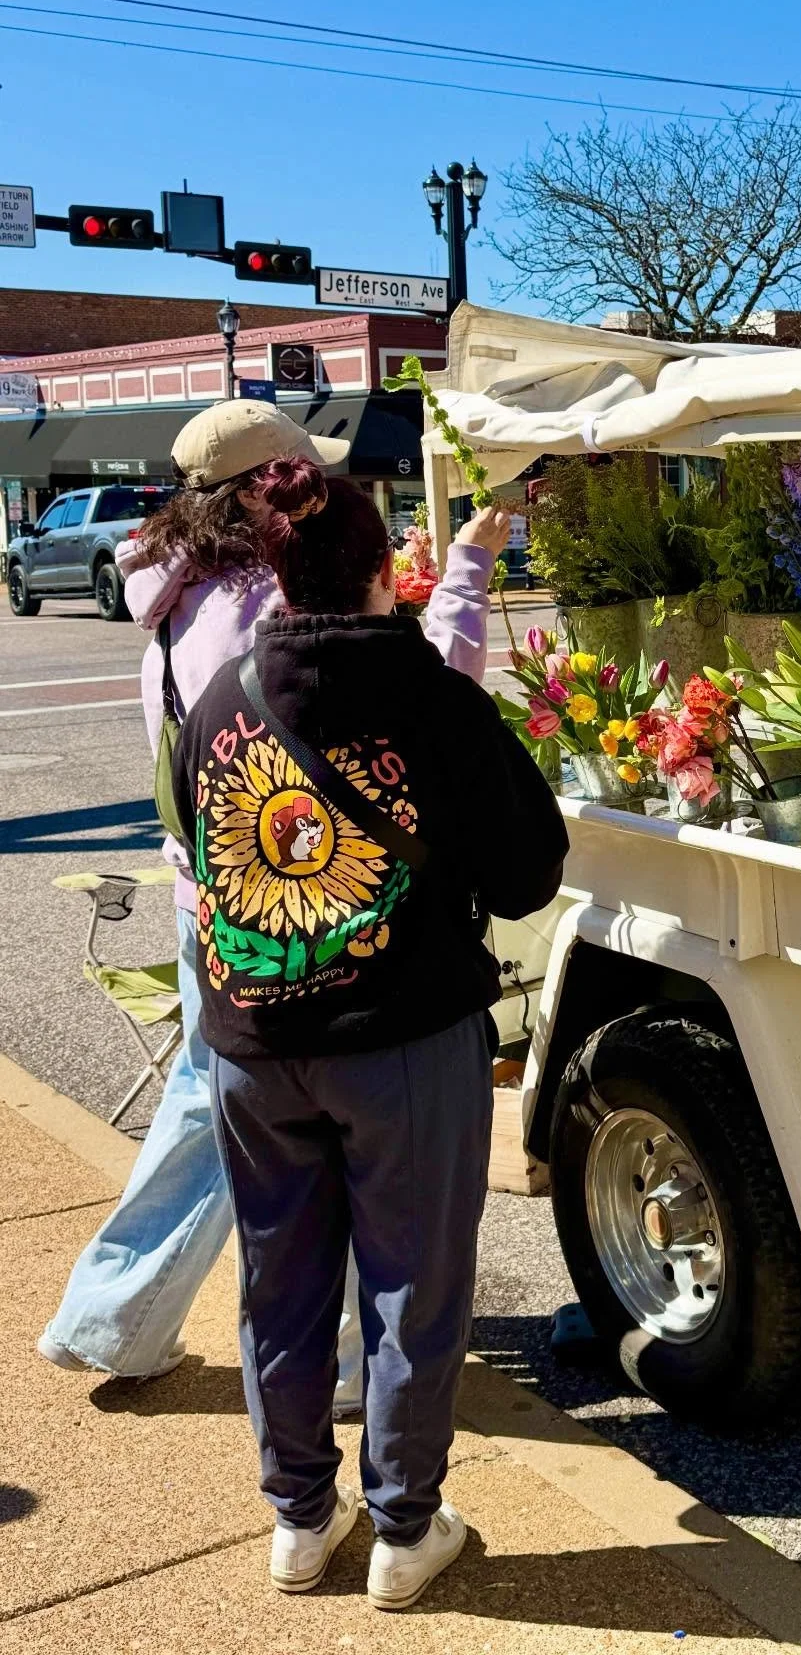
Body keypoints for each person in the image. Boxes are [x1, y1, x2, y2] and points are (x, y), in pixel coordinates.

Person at [37, 398, 504, 1397]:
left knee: (226, 1103)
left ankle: (113, 1316)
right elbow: (425, 688)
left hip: (206, 881)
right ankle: (338, 1365)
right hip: (297, 889)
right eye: (307, 474)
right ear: (272, 491)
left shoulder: (174, 588)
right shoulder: (261, 598)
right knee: (319, 1122)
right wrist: (464, 574)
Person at [172, 458, 566, 1610]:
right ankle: (404, 1528)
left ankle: (299, 1520)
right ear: (388, 566)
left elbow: (202, 841)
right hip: (401, 1032)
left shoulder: (223, 697)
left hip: (253, 1038)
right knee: (412, 1288)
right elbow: (529, 873)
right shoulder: (437, 701)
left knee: (278, 1283)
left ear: (276, 573)